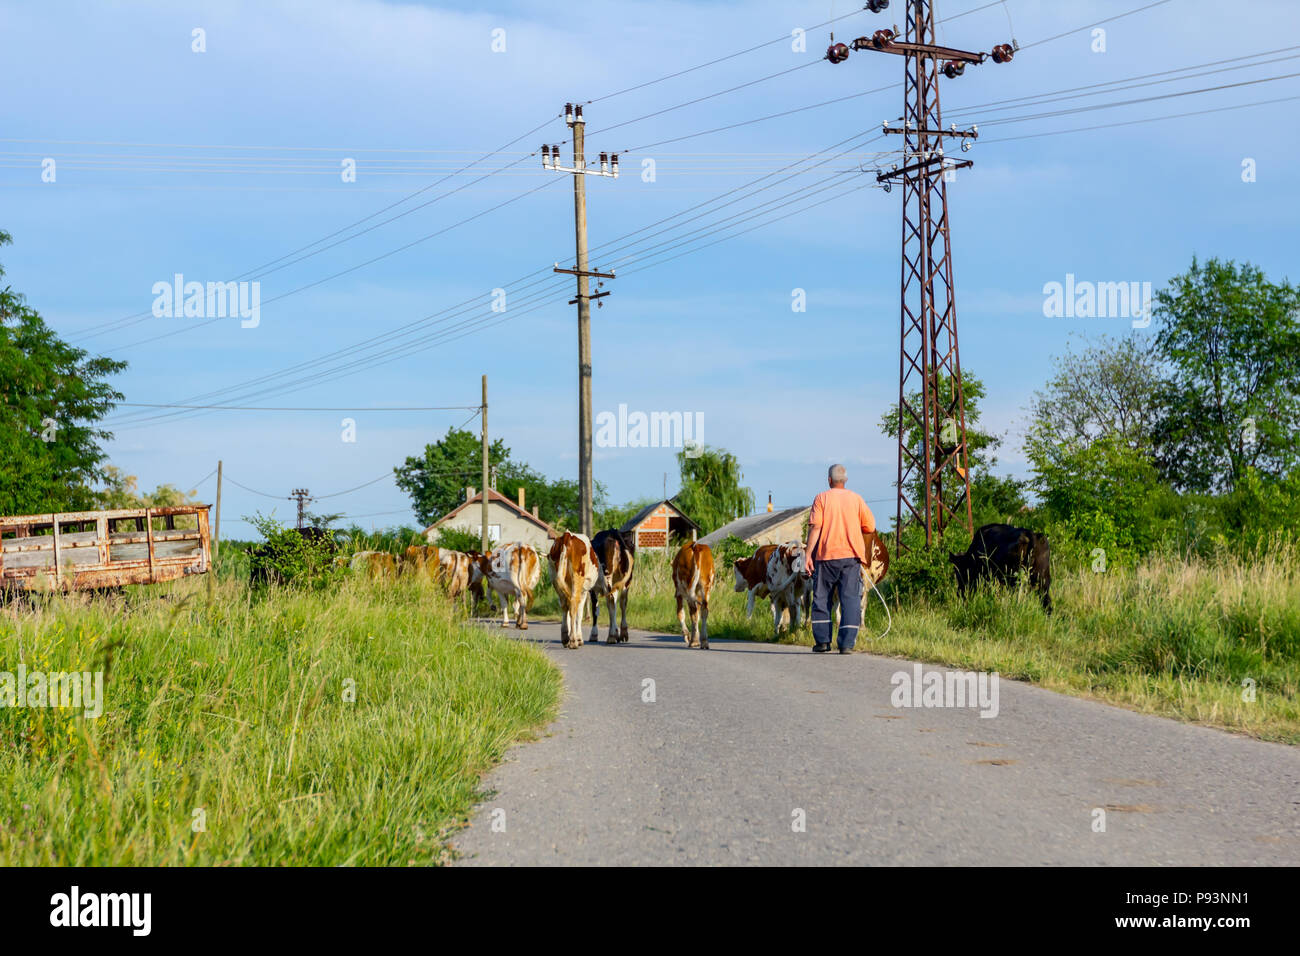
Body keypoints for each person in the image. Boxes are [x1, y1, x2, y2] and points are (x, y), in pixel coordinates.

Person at [802, 464, 876, 654]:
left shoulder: (822, 498)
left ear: (829, 480)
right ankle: (846, 644)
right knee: (850, 599)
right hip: (851, 558)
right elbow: (870, 526)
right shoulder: (857, 499)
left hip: (826, 557)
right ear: (846, 480)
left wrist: (808, 555)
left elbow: (815, 528)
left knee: (821, 599)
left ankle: (823, 642)